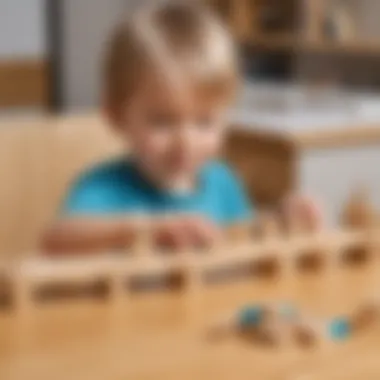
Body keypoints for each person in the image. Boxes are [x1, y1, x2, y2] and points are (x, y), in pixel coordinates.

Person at [42, 1, 321, 255]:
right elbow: (54, 240)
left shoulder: (223, 183)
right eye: (162, 122)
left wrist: (283, 222)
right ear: (116, 116)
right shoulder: (103, 188)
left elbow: (245, 246)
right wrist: (145, 230)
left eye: (204, 122)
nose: (185, 142)